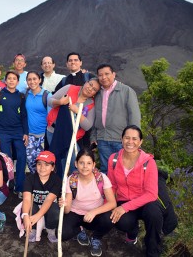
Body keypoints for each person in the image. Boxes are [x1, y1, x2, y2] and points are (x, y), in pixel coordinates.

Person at [108, 125, 161, 257]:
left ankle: (152, 249)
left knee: (154, 215)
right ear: (122, 139)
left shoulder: (148, 163)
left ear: (140, 142)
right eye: (127, 138)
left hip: (144, 201)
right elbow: (112, 185)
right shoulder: (113, 159)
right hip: (123, 198)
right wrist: (109, 204)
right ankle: (132, 232)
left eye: (134, 139)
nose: (130, 142)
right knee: (121, 222)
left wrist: (124, 208)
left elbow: (151, 194)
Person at [59, 148, 116, 257]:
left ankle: (96, 237)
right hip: (76, 213)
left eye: (89, 163)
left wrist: (94, 212)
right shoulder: (71, 180)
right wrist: (64, 204)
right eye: (81, 163)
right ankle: (79, 230)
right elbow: (67, 210)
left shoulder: (101, 178)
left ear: (93, 165)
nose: (85, 166)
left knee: (110, 218)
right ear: (76, 164)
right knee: (63, 233)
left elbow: (112, 203)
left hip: (95, 215)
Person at [90, 64, 141, 174]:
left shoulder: (126, 91)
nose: (104, 77)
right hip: (102, 139)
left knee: (124, 170)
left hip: (121, 140)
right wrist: (94, 136)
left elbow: (135, 116)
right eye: (100, 75)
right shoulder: (97, 93)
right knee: (106, 169)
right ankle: (108, 191)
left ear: (114, 74)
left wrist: (133, 139)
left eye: (107, 74)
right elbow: (95, 117)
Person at [48, 78, 100, 177]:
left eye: (94, 89)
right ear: (85, 82)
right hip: (53, 131)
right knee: (58, 159)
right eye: (90, 84)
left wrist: (77, 111)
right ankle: (59, 186)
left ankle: (73, 185)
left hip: (72, 137)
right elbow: (50, 101)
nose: (90, 89)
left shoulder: (91, 104)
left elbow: (88, 126)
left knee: (74, 161)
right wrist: (60, 102)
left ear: (94, 94)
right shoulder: (69, 88)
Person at [0, 71, 28, 197]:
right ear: (5, 81)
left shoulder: (21, 96)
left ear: (18, 82)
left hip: (18, 132)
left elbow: (23, 116)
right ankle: (8, 184)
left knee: (22, 156)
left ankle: (20, 187)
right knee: (7, 159)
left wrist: (26, 133)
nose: (11, 81)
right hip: (3, 132)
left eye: (14, 79)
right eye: (9, 78)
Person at [21, 151, 61, 243]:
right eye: (39, 164)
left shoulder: (57, 180)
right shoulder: (29, 179)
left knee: (55, 210)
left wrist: (38, 216)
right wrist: (26, 215)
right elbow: (26, 199)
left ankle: (50, 229)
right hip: (33, 206)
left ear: (53, 167)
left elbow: (49, 199)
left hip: (48, 207)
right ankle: (32, 229)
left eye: (47, 165)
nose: (42, 168)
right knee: (29, 207)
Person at [25, 71, 51, 173]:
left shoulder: (47, 95)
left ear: (39, 80)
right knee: (30, 159)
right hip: (30, 134)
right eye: (29, 79)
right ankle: (34, 181)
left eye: (34, 79)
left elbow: (51, 116)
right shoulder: (26, 94)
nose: (32, 82)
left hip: (43, 135)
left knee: (43, 161)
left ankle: (43, 184)